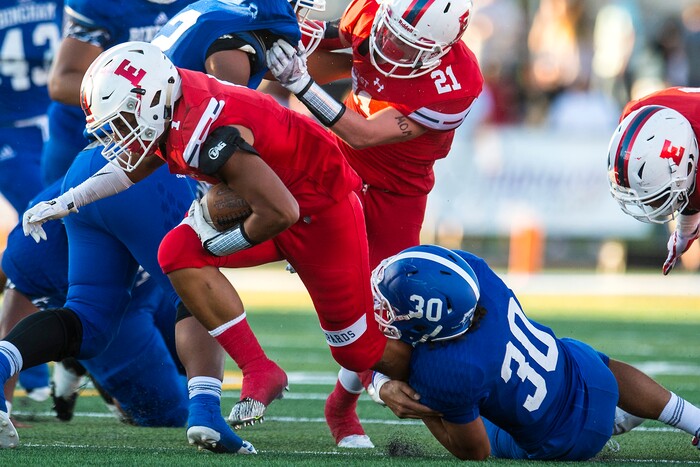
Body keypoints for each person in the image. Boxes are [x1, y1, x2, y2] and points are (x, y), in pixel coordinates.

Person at [13, 40, 409, 448]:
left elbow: (281, 212)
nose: (120, 133)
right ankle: (259, 368)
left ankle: (373, 399)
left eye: (125, 118)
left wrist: (219, 247)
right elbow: (131, 167)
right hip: (270, 199)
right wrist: (67, 201)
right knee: (176, 251)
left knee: (358, 352)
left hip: (319, 213)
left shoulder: (211, 129)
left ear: (148, 100)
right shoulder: (171, 101)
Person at [265, 0, 484, 447]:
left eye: (408, 49)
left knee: (389, 306)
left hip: (396, 187)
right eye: (389, 36)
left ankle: (342, 404)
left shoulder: (455, 84)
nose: (389, 51)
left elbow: (364, 134)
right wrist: (288, 44)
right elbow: (325, 51)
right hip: (335, 160)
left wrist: (302, 84)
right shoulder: (367, 14)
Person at [369, 244, 700, 460]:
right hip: (580, 372)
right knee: (597, 364)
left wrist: (426, 406)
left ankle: (609, 423)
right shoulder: (475, 274)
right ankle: (693, 419)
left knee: (477, 421)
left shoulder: (445, 368)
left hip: (563, 443)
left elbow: (474, 452)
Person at [1, 192, 189, 427]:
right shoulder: (42, 245)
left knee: (200, 352)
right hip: (106, 310)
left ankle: (76, 358)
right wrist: (4, 404)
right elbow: (19, 283)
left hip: (156, 279)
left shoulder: (173, 177)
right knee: (165, 412)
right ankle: (73, 348)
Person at [41, 0, 194, 186]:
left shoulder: (206, 5)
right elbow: (62, 82)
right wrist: (141, 98)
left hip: (159, 137)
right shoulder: (103, 5)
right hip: (88, 134)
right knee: (55, 207)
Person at [0, 0, 65, 403]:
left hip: (59, 120)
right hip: (10, 130)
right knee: (40, 235)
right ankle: (29, 365)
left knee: (44, 238)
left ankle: (30, 361)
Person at [606, 87, 700, 275]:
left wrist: (687, 230)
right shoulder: (633, 115)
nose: (649, 203)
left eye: (661, 193)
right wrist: (686, 231)